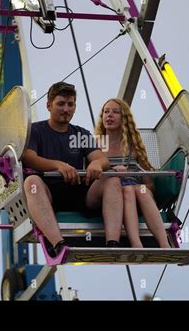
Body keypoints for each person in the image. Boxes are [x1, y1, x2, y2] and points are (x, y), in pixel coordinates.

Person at [22, 82, 124, 258]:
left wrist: (96, 164)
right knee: (32, 182)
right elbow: (29, 157)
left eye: (71, 104)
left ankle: (113, 244)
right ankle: (58, 244)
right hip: (49, 195)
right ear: (49, 105)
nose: (66, 109)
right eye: (60, 104)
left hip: (79, 193)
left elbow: (101, 158)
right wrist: (58, 165)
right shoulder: (35, 131)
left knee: (112, 179)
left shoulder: (81, 134)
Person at [94, 98, 170, 248]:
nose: (109, 115)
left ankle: (165, 244)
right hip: (108, 191)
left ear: (124, 118)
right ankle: (136, 244)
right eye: (106, 112)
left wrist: (141, 188)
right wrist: (112, 171)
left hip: (134, 192)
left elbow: (148, 183)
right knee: (127, 189)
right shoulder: (95, 144)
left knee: (138, 190)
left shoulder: (133, 146)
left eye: (115, 112)